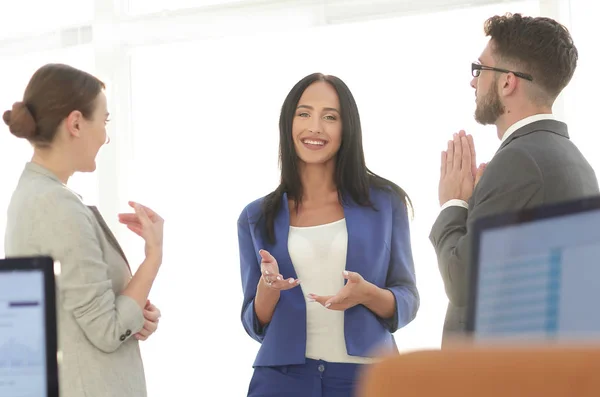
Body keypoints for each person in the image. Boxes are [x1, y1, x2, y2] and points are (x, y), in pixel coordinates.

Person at [237, 73, 419, 396]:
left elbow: (407, 299)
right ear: (288, 124)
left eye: (330, 117)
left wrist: (367, 294)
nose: (315, 128)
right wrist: (269, 289)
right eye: (304, 114)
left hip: (368, 378)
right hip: (281, 380)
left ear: (346, 127)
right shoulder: (256, 216)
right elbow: (255, 323)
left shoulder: (386, 203)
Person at [430, 13, 599, 345]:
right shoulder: (573, 160)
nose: (473, 81)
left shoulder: (519, 162)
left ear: (508, 82)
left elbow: (462, 282)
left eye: (479, 70)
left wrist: (453, 204)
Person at [2, 63, 165, 397]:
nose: (106, 136)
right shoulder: (56, 205)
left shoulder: (37, 196)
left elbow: (83, 316)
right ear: (76, 123)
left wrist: (135, 313)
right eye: (104, 122)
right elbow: (108, 331)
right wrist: (154, 256)